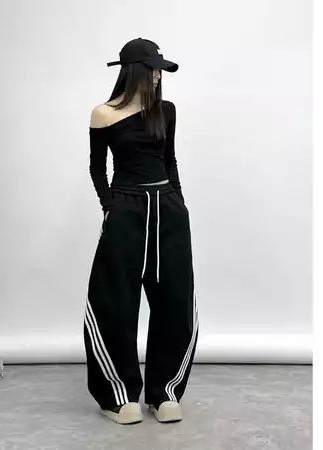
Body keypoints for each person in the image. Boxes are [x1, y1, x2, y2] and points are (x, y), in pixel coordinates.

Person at [83, 38, 199, 425]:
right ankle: (117, 396)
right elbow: (97, 167)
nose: (157, 76)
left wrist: (179, 203)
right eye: (152, 69)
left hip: (167, 209)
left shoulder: (166, 111)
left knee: (174, 301)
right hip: (126, 208)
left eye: (160, 70)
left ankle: (164, 392)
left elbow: (170, 160)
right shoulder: (103, 114)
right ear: (133, 70)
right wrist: (109, 206)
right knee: (114, 300)